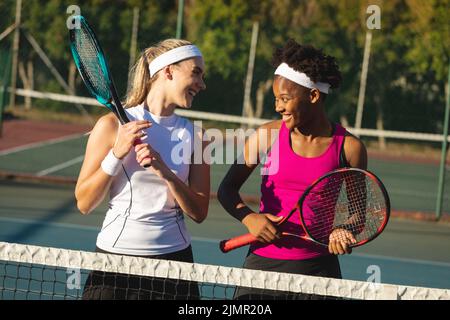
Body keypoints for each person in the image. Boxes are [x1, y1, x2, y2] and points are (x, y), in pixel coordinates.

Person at [218, 39, 367, 299]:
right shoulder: (266, 136)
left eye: (284, 99)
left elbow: (358, 213)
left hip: (320, 272)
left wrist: (345, 230)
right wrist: (249, 218)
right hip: (262, 268)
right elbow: (227, 189)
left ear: (313, 95)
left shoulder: (350, 148)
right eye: (276, 99)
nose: (277, 107)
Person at [75, 39, 209, 300]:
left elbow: (199, 211)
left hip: (174, 267)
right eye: (196, 73)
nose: (202, 84)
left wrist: (166, 172)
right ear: (169, 71)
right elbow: (84, 202)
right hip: (113, 267)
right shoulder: (111, 126)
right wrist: (117, 153)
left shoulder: (197, 136)